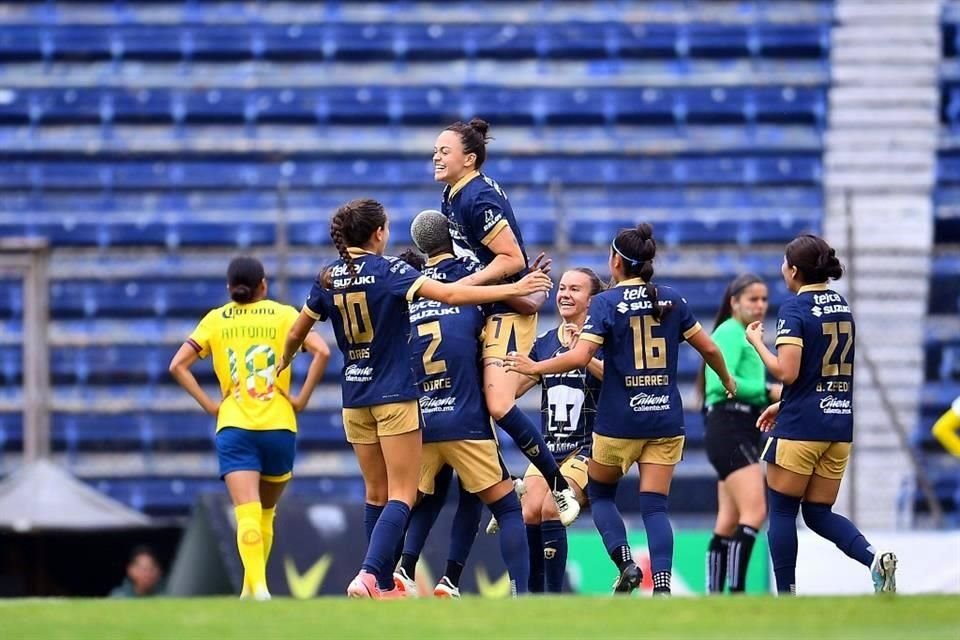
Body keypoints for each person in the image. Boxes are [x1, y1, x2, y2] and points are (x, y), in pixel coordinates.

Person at [279, 199, 552, 599]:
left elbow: (294, 333)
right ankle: (372, 575)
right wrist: (517, 285)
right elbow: (454, 297)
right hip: (399, 399)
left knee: (376, 494)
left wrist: (280, 365)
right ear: (378, 234)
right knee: (405, 496)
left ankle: (385, 582)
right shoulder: (392, 271)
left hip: (353, 398)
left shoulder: (328, 277)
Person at [506, 223, 737, 596]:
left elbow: (582, 356)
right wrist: (727, 380)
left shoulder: (606, 304)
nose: (565, 294)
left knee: (601, 496)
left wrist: (534, 367)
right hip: (664, 416)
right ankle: (661, 586)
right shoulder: (672, 299)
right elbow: (709, 349)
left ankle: (624, 561)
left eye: (572, 288)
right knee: (655, 507)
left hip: (618, 422)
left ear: (615, 261)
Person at [434, 119, 580, 524]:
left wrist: (465, 286)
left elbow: (511, 259)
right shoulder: (453, 193)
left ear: (470, 158)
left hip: (508, 308)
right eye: (436, 149)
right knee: (477, 406)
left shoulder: (477, 197)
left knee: (497, 404)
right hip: (492, 305)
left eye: (444, 151)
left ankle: (560, 485)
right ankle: (505, 481)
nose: (436, 156)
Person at [169, 256, 330, 601]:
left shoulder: (215, 321)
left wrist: (210, 404)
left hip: (236, 425)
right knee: (265, 513)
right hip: (279, 425)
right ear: (263, 285)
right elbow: (322, 352)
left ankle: (255, 588)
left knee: (246, 513)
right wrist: (300, 399)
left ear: (230, 288)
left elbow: (177, 365)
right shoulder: (285, 315)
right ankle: (253, 591)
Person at [745, 234, 897, 595]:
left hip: (801, 430)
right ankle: (874, 558)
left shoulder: (794, 309)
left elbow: (788, 372)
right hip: (839, 425)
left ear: (794, 270)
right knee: (817, 513)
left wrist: (757, 345)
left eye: (784, 263)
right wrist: (784, 404)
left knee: (781, 512)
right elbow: (823, 373)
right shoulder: (842, 305)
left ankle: (786, 596)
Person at [390, 213, 531, 597]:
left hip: (421, 420)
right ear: (453, 235)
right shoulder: (473, 276)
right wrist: (521, 285)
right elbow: (520, 306)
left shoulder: (410, 292)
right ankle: (524, 595)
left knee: (424, 498)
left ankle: (407, 571)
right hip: (465, 418)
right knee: (505, 507)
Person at [508, 268, 604, 593]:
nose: (564, 294)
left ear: (591, 300)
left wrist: (584, 355)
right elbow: (515, 390)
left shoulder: (604, 340)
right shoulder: (546, 342)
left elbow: (619, 381)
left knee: (552, 507)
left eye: (574, 289)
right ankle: (532, 599)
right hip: (550, 448)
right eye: (562, 288)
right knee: (529, 509)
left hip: (588, 447)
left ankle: (553, 597)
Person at [700, 273, 780, 594]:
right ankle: (736, 591)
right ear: (735, 302)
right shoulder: (731, 332)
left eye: (763, 299)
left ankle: (714, 593)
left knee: (729, 520)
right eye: (753, 299)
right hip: (730, 426)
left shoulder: (741, 333)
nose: (760, 306)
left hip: (736, 428)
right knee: (756, 511)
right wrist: (767, 390)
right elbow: (721, 381)